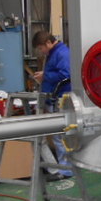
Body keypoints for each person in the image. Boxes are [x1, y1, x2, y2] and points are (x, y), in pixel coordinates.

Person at [32, 30, 73, 179]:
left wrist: (45, 76)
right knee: (59, 136)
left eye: (41, 48)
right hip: (54, 99)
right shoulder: (54, 53)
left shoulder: (62, 53)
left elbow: (66, 75)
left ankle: (66, 170)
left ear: (48, 43)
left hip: (60, 99)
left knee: (60, 136)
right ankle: (63, 168)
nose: (41, 51)